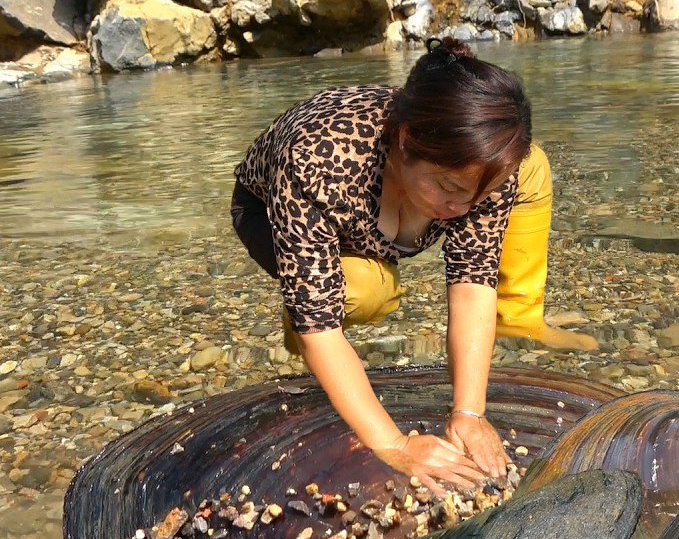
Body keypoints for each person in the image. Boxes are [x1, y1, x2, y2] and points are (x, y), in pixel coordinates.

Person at [230, 37, 596, 495]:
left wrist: (469, 413)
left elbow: (471, 281)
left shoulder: (485, 165)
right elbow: (323, 331)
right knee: (366, 290)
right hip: (270, 209)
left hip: (400, 199)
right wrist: (394, 444)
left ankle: (521, 323)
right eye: (448, 186)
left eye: (479, 195)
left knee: (531, 166)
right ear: (405, 140)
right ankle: (301, 300)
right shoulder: (315, 163)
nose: (465, 206)